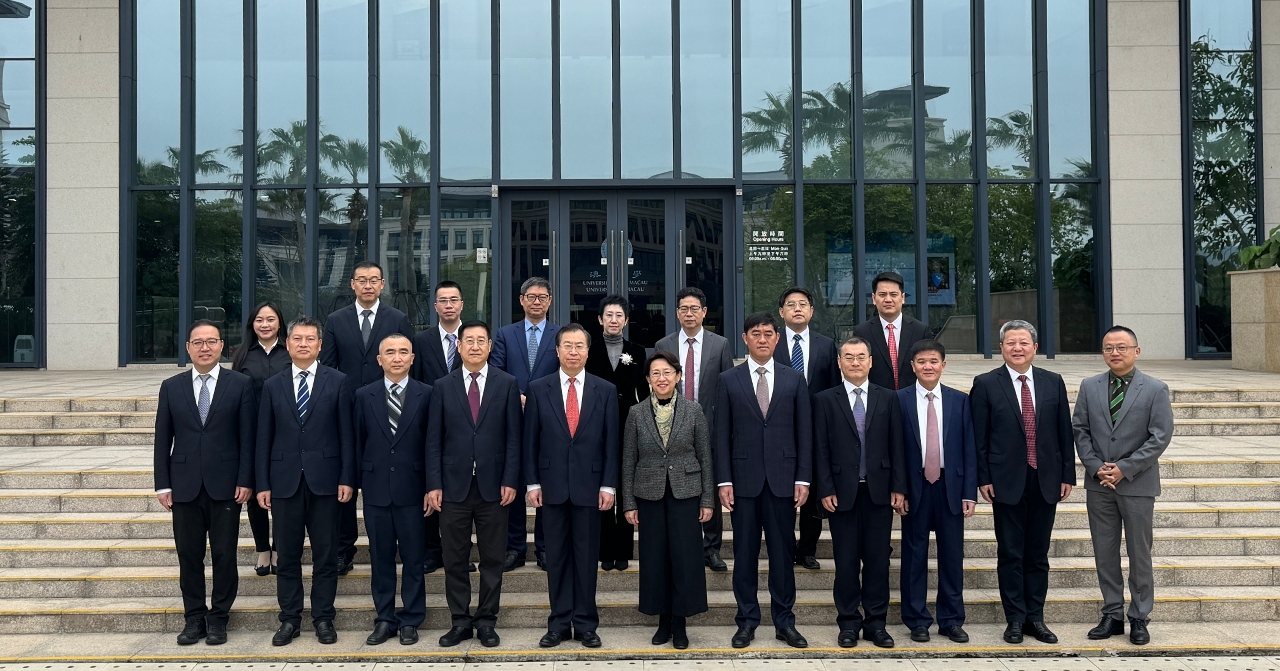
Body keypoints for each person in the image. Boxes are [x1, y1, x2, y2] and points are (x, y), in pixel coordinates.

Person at [970, 320, 1074, 645]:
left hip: (1046, 479)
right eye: (1011, 343)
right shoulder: (986, 383)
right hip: (1005, 481)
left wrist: (1067, 474)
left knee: (1038, 554)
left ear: (1035, 347)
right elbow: (979, 437)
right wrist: (983, 477)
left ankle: (1035, 618)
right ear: (1001, 347)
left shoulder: (1052, 381)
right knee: (1011, 553)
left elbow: (1064, 432)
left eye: (1023, 342)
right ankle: (1014, 619)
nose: (1017, 348)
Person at [153, 320, 255, 646]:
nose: (205, 347)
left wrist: (246, 479)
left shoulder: (240, 384)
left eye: (211, 341)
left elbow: (248, 438)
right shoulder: (172, 386)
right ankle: (194, 618)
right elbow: (162, 440)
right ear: (188, 348)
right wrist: (162, 484)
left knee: (225, 554)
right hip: (183, 486)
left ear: (222, 346)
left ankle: (219, 618)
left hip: (226, 485)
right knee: (189, 555)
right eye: (198, 342)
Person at [256, 316, 355, 646]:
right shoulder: (273, 385)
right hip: (284, 484)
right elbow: (263, 438)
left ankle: (324, 617)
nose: (303, 344)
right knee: (287, 556)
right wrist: (263, 483)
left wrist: (347, 478)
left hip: (326, 483)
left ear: (320, 345)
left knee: (326, 556)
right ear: (288, 344)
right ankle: (290, 619)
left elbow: (347, 435)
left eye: (310, 339)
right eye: (297, 338)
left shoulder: (338, 381)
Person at [715, 312, 812, 650]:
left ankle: (785, 622)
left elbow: (804, 432)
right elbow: (721, 434)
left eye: (768, 333)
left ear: (777, 338)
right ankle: (746, 621)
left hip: (784, 481)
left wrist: (803, 478)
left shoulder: (794, 379)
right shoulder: (728, 379)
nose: (762, 339)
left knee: (783, 556)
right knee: (744, 555)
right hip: (743, 483)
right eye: (755, 333)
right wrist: (723, 481)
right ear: (745, 339)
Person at [426, 320, 524, 649]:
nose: (475, 346)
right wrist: (434, 484)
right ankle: (459, 621)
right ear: (459, 346)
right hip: (452, 487)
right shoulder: (442, 386)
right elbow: (433, 441)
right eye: (469, 340)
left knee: (493, 558)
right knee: (454, 559)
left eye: (481, 340)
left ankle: (486, 620)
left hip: (494, 487)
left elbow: (514, 438)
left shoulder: (507, 383)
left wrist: (511, 479)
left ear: (490, 346)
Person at [1073, 326, 1173, 646]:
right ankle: (1112, 614)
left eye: (1121, 347)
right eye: (1108, 348)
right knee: (1104, 552)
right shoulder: (1089, 386)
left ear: (1136, 351)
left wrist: (1124, 469)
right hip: (1099, 484)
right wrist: (1095, 467)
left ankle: (1139, 616)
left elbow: (1160, 436)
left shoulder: (1155, 389)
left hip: (1138, 484)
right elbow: (1080, 430)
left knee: (1139, 553)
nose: (1114, 353)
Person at [523, 324, 620, 649]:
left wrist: (609, 485)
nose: (574, 351)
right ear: (557, 350)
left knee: (586, 558)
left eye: (580, 346)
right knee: (557, 559)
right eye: (568, 345)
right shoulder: (539, 388)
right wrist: (532, 482)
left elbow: (611, 443)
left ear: (588, 352)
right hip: (551, 488)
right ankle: (559, 624)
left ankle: (586, 624)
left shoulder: (605, 390)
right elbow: (530, 440)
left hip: (591, 488)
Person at [320, 261, 416, 576]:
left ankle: (398, 543)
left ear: (382, 284)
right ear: (352, 284)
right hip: (346, 409)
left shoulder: (397, 318)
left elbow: (406, 363)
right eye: (361, 280)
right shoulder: (336, 320)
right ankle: (343, 549)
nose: (368, 285)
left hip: (387, 409)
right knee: (346, 477)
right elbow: (329, 367)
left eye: (374, 280)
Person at [812, 336, 905, 649]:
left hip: (879, 493)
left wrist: (899, 487)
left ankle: (876, 624)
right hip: (842, 494)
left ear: (871, 361)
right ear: (839, 362)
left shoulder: (888, 398)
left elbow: (898, 446)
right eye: (849, 357)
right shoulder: (825, 399)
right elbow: (820, 449)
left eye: (861, 356)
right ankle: (849, 623)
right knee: (846, 562)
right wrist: (825, 488)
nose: (855, 362)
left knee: (878, 562)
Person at [620, 351, 714, 650]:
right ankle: (662, 620)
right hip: (649, 494)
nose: (662, 378)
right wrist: (629, 503)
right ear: (648, 379)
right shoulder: (636, 413)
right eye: (655, 373)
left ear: (678, 376)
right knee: (654, 558)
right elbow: (628, 459)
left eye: (667, 372)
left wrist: (708, 499)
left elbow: (705, 457)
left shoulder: (693, 410)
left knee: (685, 559)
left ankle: (680, 623)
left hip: (686, 492)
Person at [354, 334, 432, 646]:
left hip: (413, 490)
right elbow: (357, 441)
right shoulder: (364, 395)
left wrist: (432, 487)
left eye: (403, 352)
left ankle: (411, 619)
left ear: (412, 358)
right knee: (381, 558)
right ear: (379, 360)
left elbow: (432, 444)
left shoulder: (427, 394)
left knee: (413, 559)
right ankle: (385, 618)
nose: (397, 358)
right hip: (376, 490)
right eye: (390, 352)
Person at [896, 339, 976, 644]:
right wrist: (899, 489)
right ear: (912, 366)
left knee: (952, 557)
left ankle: (951, 619)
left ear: (943, 365)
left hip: (950, 487)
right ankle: (917, 619)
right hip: (915, 488)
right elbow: (894, 450)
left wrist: (969, 493)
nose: (927, 367)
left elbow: (969, 448)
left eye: (933, 361)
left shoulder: (960, 400)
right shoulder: (899, 400)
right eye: (921, 362)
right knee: (913, 557)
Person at [655, 286, 735, 572]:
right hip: (673, 429)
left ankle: (711, 548)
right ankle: (683, 546)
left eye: (694, 309)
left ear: (704, 312)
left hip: (710, 427)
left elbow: (726, 388)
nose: (689, 314)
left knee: (709, 487)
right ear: (677, 313)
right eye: (684, 309)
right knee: (678, 488)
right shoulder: (664, 344)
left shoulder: (720, 344)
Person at [491, 277, 560, 572]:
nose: (536, 302)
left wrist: (541, 398)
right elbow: (496, 370)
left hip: (550, 420)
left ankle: (545, 547)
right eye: (531, 296)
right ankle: (515, 547)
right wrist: (516, 395)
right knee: (516, 483)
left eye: (542, 297)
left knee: (547, 482)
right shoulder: (505, 334)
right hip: (513, 417)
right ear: (521, 300)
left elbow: (565, 371)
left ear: (550, 301)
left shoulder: (560, 335)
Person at [773, 286, 840, 570]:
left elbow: (835, 388)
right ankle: (786, 547)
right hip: (781, 428)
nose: (797, 308)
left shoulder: (827, 345)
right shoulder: (772, 342)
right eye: (791, 304)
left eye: (803, 304)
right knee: (783, 490)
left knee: (813, 490)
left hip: (817, 429)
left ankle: (808, 549)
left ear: (812, 311)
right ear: (782, 312)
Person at [585, 294, 647, 571]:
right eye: (608, 315)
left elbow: (643, 392)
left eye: (618, 315)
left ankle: (623, 549)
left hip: (627, 424)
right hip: (594, 425)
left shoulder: (637, 351)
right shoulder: (589, 349)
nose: (613, 320)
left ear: (626, 320)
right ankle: (604, 550)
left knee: (624, 487)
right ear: (600, 319)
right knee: (601, 486)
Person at [231, 302, 291, 576]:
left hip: (286, 433)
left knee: (281, 494)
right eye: (259, 320)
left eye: (270, 319)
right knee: (255, 495)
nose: (265, 325)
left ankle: (279, 548)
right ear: (252, 325)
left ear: (280, 323)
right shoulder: (243, 355)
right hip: (252, 433)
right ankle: (262, 549)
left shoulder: (290, 352)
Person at [853, 272, 928, 390]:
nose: (888, 299)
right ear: (874, 298)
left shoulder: (920, 330)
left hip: (911, 396)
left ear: (902, 298)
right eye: (882, 294)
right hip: (877, 397)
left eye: (893, 294)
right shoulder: (862, 332)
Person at [412, 280, 466, 385]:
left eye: (454, 300)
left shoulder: (473, 339)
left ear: (462, 305)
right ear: (435, 307)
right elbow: (416, 380)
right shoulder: (421, 340)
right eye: (443, 301)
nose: (448, 305)